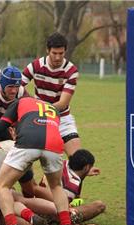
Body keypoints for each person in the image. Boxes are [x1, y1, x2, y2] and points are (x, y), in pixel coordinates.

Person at [0, 96, 79, 225]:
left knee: (2, 185)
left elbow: (0, 126)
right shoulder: (52, 108)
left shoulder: (20, 102)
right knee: (56, 186)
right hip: (54, 144)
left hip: (28, 142)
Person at [21, 32, 99, 176]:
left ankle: (73, 198)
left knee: (79, 163)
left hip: (62, 118)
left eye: (61, 53)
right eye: (54, 53)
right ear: (47, 50)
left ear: (65, 51)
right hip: (37, 119)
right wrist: (29, 100)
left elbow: (62, 103)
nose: (57, 57)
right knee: (24, 163)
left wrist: (37, 106)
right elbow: (18, 86)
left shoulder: (71, 71)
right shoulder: (35, 66)